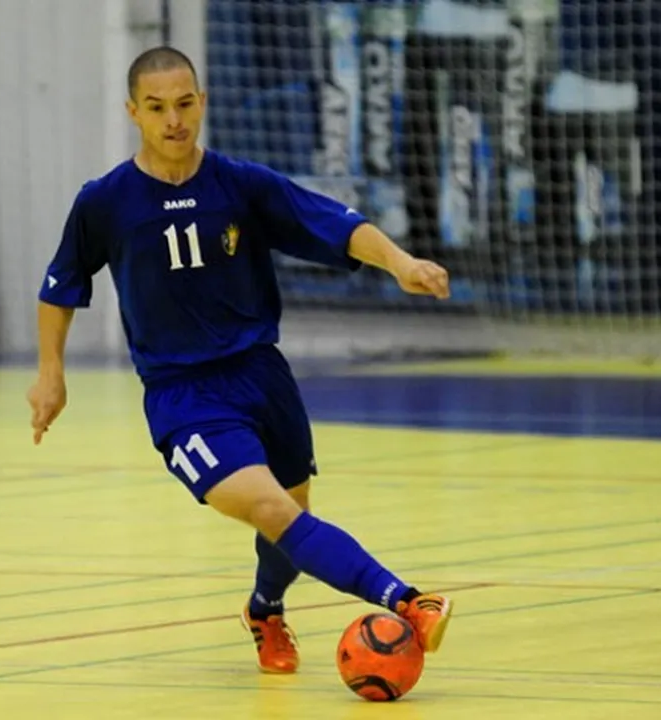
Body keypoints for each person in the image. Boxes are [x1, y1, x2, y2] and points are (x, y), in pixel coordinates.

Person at [27, 46, 455, 675]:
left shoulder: (241, 184)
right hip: (184, 395)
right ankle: (407, 600)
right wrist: (50, 374)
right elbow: (59, 286)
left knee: (291, 515)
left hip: (261, 375)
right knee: (271, 509)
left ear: (201, 102)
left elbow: (334, 223)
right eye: (156, 108)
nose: (173, 119)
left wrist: (402, 263)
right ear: (133, 112)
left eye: (184, 104)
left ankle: (265, 609)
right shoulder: (105, 201)